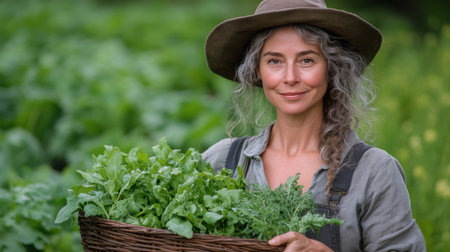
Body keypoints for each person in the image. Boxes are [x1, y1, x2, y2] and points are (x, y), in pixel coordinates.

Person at [202, 0, 426, 251]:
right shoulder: (222, 162)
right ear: (257, 71)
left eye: (306, 60)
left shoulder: (375, 172)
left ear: (332, 68)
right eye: (274, 61)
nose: (290, 77)